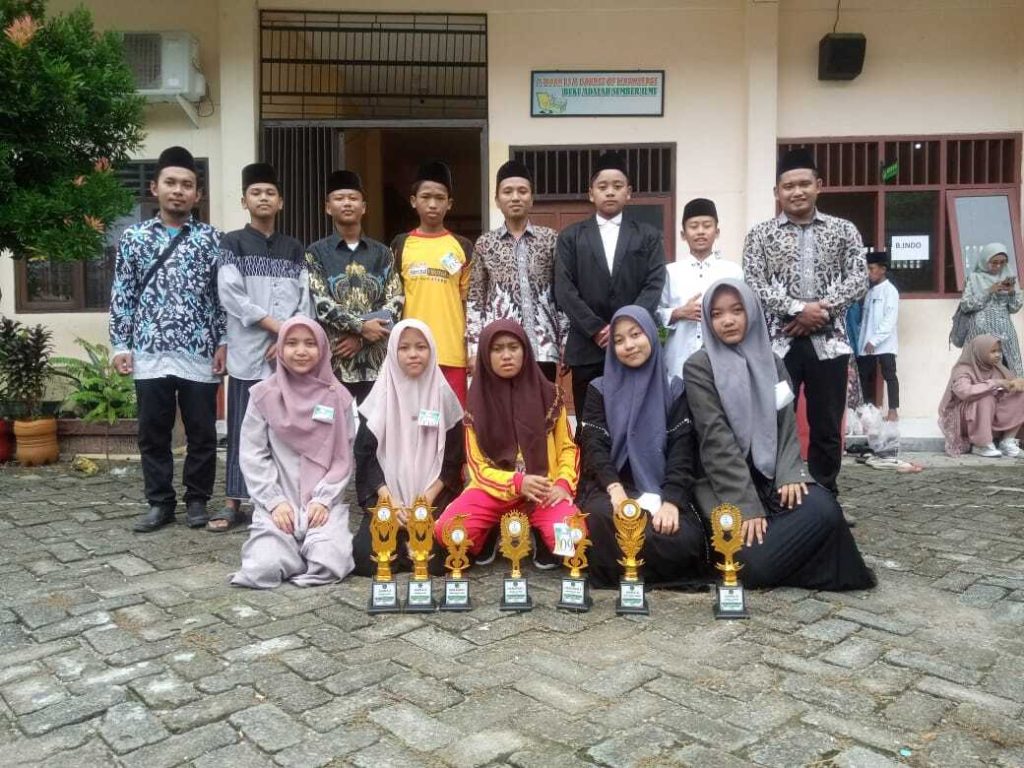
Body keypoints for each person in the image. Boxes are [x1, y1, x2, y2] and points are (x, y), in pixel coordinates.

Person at [684, 279, 875, 590]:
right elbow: (716, 441)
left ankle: (785, 555)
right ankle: (786, 558)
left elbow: (785, 422)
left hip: (771, 476)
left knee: (825, 508)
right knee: (752, 565)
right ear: (707, 319)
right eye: (717, 314)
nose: (728, 320)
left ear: (751, 312)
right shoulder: (699, 367)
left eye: (736, 310)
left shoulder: (771, 361)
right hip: (724, 484)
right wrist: (745, 506)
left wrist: (789, 473)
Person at [109, 146, 226, 533]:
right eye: (171, 183)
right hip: (150, 351)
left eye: (187, 185)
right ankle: (160, 503)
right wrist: (120, 345)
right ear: (155, 188)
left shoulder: (212, 239)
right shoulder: (134, 238)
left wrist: (224, 341)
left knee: (202, 432)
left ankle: (197, 500)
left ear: (198, 194)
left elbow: (222, 297)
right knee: (153, 433)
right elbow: (123, 294)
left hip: (199, 350)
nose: (178, 190)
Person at [743, 147, 867, 494]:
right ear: (776, 192)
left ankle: (825, 498)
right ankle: (774, 494)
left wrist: (819, 311)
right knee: (774, 421)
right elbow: (754, 282)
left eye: (804, 184)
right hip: (776, 348)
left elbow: (858, 277)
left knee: (826, 425)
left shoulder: (844, 231)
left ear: (818, 186)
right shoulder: (760, 235)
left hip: (830, 345)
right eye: (788, 186)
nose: (796, 192)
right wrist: (798, 309)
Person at [578, 306, 707, 589]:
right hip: (613, 487)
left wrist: (671, 501)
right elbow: (595, 447)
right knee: (600, 520)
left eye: (636, 334)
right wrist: (615, 491)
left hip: (660, 486)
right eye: (619, 340)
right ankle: (637, 571)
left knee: (687, 538)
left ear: (651, 334)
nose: (629, 345)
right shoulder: (599, 389)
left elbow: (682, 451)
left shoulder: (674, 389)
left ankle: (629, 570)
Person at [434, 319, 580, 567]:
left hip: (544, 490)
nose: (506, 356)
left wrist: (563, 483)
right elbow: (477, 467)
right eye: (497, 349)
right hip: (493, 492)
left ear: (525, 350)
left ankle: (539, 531)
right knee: (448, 532)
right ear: (485, 355)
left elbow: (567, 448)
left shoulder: (551, 395)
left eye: (513, 347)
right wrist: (517, 482)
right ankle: (490, 531)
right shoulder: (476, 404)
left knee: (573, 539)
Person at [214, 162, 311, 531]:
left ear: (281, 201)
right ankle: (233, 502)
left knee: (285, 429)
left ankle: (278, 501)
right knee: (242, 427)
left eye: (270, 192)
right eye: (256, 193)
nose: (263, 198)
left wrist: (288, 338)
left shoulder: (293, 248)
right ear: (244, 201)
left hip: (287, 357)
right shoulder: (232, 243)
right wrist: (277, 329)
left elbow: (305, 301)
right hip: (248, 353)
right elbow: (231, 295)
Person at [230, 317, 356, 588]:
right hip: (280, 504)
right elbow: (252, 453)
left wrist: (323, 499)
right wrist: (274, 501)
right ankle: (290, 550)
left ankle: (305, 550)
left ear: (323, 349)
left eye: (310, 343)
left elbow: (343, 458)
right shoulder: (263, 395)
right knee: (263, 569)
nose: (301, 351)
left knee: (330, 564)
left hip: (320, 505)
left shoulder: (338, 397)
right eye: (292, 343)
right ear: (280, 348)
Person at [554, 151, 666, 420]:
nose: (610, 192)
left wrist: (625, 327)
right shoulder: (571, 236)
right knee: (590, 421)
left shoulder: (648, 236)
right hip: (587, 347)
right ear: (591, 193)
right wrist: (595, 329)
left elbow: (654, 283)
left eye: (617, 186)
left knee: (635, 418)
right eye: (602, 186)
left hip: (634, 344)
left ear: (629, 192)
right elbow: (564, 288)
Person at [352, 320, 465, 576]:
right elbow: (366, 455)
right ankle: (403, 546)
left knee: (443, 557)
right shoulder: (379, 398)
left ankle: (406, 548)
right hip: (389, 498)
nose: (413, 354)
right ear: (393, 351)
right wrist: (389, 501)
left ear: (431, 350)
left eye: (421, 347)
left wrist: (424, 502)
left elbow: (453, 458)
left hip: (432, 498)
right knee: (366, 557)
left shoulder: (444, 396)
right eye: (404, 348)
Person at [306, 170, 403, 404]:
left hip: (376, 363)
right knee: (331, 423)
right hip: (334, 361)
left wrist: (362, 338)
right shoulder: (315, 253)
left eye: (353, 198)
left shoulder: (382, 253)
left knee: (375, 426)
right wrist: (361, 327)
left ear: (364, 207)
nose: (347, 203)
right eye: (339, 198)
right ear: (328, 207)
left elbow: (396, 301)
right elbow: (321, 304)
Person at [467, 160, 567, 382]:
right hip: (500, 350)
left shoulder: (551, 240)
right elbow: (475, 300)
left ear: (531, 198)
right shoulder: (485, 244)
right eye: (507, 192)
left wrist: (565, 343)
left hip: (543, 349)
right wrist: (474, 349)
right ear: (497, 200)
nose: (515, 197)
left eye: (522, 191)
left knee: (543, 404)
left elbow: (562, 296)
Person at [391, 160, 474, 404]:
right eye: (426, 197)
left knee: (453, 421)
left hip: (452, 353)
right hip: (411, 353)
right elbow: (392, 300)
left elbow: (469, 303)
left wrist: (471, 349)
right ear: (413, 201)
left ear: (449, 203)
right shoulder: (400, 244)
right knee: (413, 420)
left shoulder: (462, 247)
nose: (433, 204)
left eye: (440, 198)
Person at [657, 198, 743, 378]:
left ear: (717, 232)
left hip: (722, 361)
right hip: (678, 362)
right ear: (683, 234)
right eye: (694, 226)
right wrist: (678, 313)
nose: (701, 231)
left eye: (707, 225)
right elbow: (655, 313)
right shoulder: (669, 272)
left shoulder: (733, 271)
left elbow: (743, 313)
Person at [938, 335, 1024, 458]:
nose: (998, 355)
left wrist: (1014, 384)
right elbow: (964, 392)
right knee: (985, 397)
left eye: (999, 351)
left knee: (1020, 395)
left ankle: (1007, 441)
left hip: (988, 414)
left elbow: (1009, 386)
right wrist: (994, 383)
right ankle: (982, 445)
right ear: (980, 351)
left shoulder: (997, 368)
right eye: (993, 351)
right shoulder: (963, 370)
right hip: (965, 417)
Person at [958, 243, 1023, 376]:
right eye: (994, 263)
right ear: (985, 261)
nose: (998, 266)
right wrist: (989, 291)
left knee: (1009, 370)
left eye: (1002, 263)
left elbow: (1014, 308)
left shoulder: (1009, 278)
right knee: (978, 372)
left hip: (1005, 332)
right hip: (980, 332)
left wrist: (1011, 293)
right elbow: (965, 305)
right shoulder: (974, 278)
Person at [856, 251, 900, 420]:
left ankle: (893, 411)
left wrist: (874, 340)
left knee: (890, 376)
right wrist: (864, 341)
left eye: (872, 268)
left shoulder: (890, 291)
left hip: (884, 344)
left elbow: (890, 319)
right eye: (867, 269)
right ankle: (867, 411)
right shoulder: (870, 292)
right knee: (864, 377)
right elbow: (865, 322)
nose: (869, 272)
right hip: (867, 344)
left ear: (883, 269)